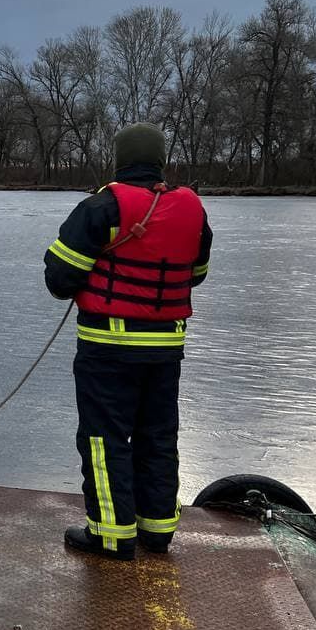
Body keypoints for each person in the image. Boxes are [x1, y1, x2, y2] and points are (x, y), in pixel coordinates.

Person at [44, 123, 212, 561]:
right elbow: (196, 274)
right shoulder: (193, 210)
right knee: (158, 436)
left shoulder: (102, 207)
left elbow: (59, 281)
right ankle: (156, 532)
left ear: (119, 160)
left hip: (108, 349)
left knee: (104, 439)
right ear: (160, 161)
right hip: (166, 350)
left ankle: (111, 535)